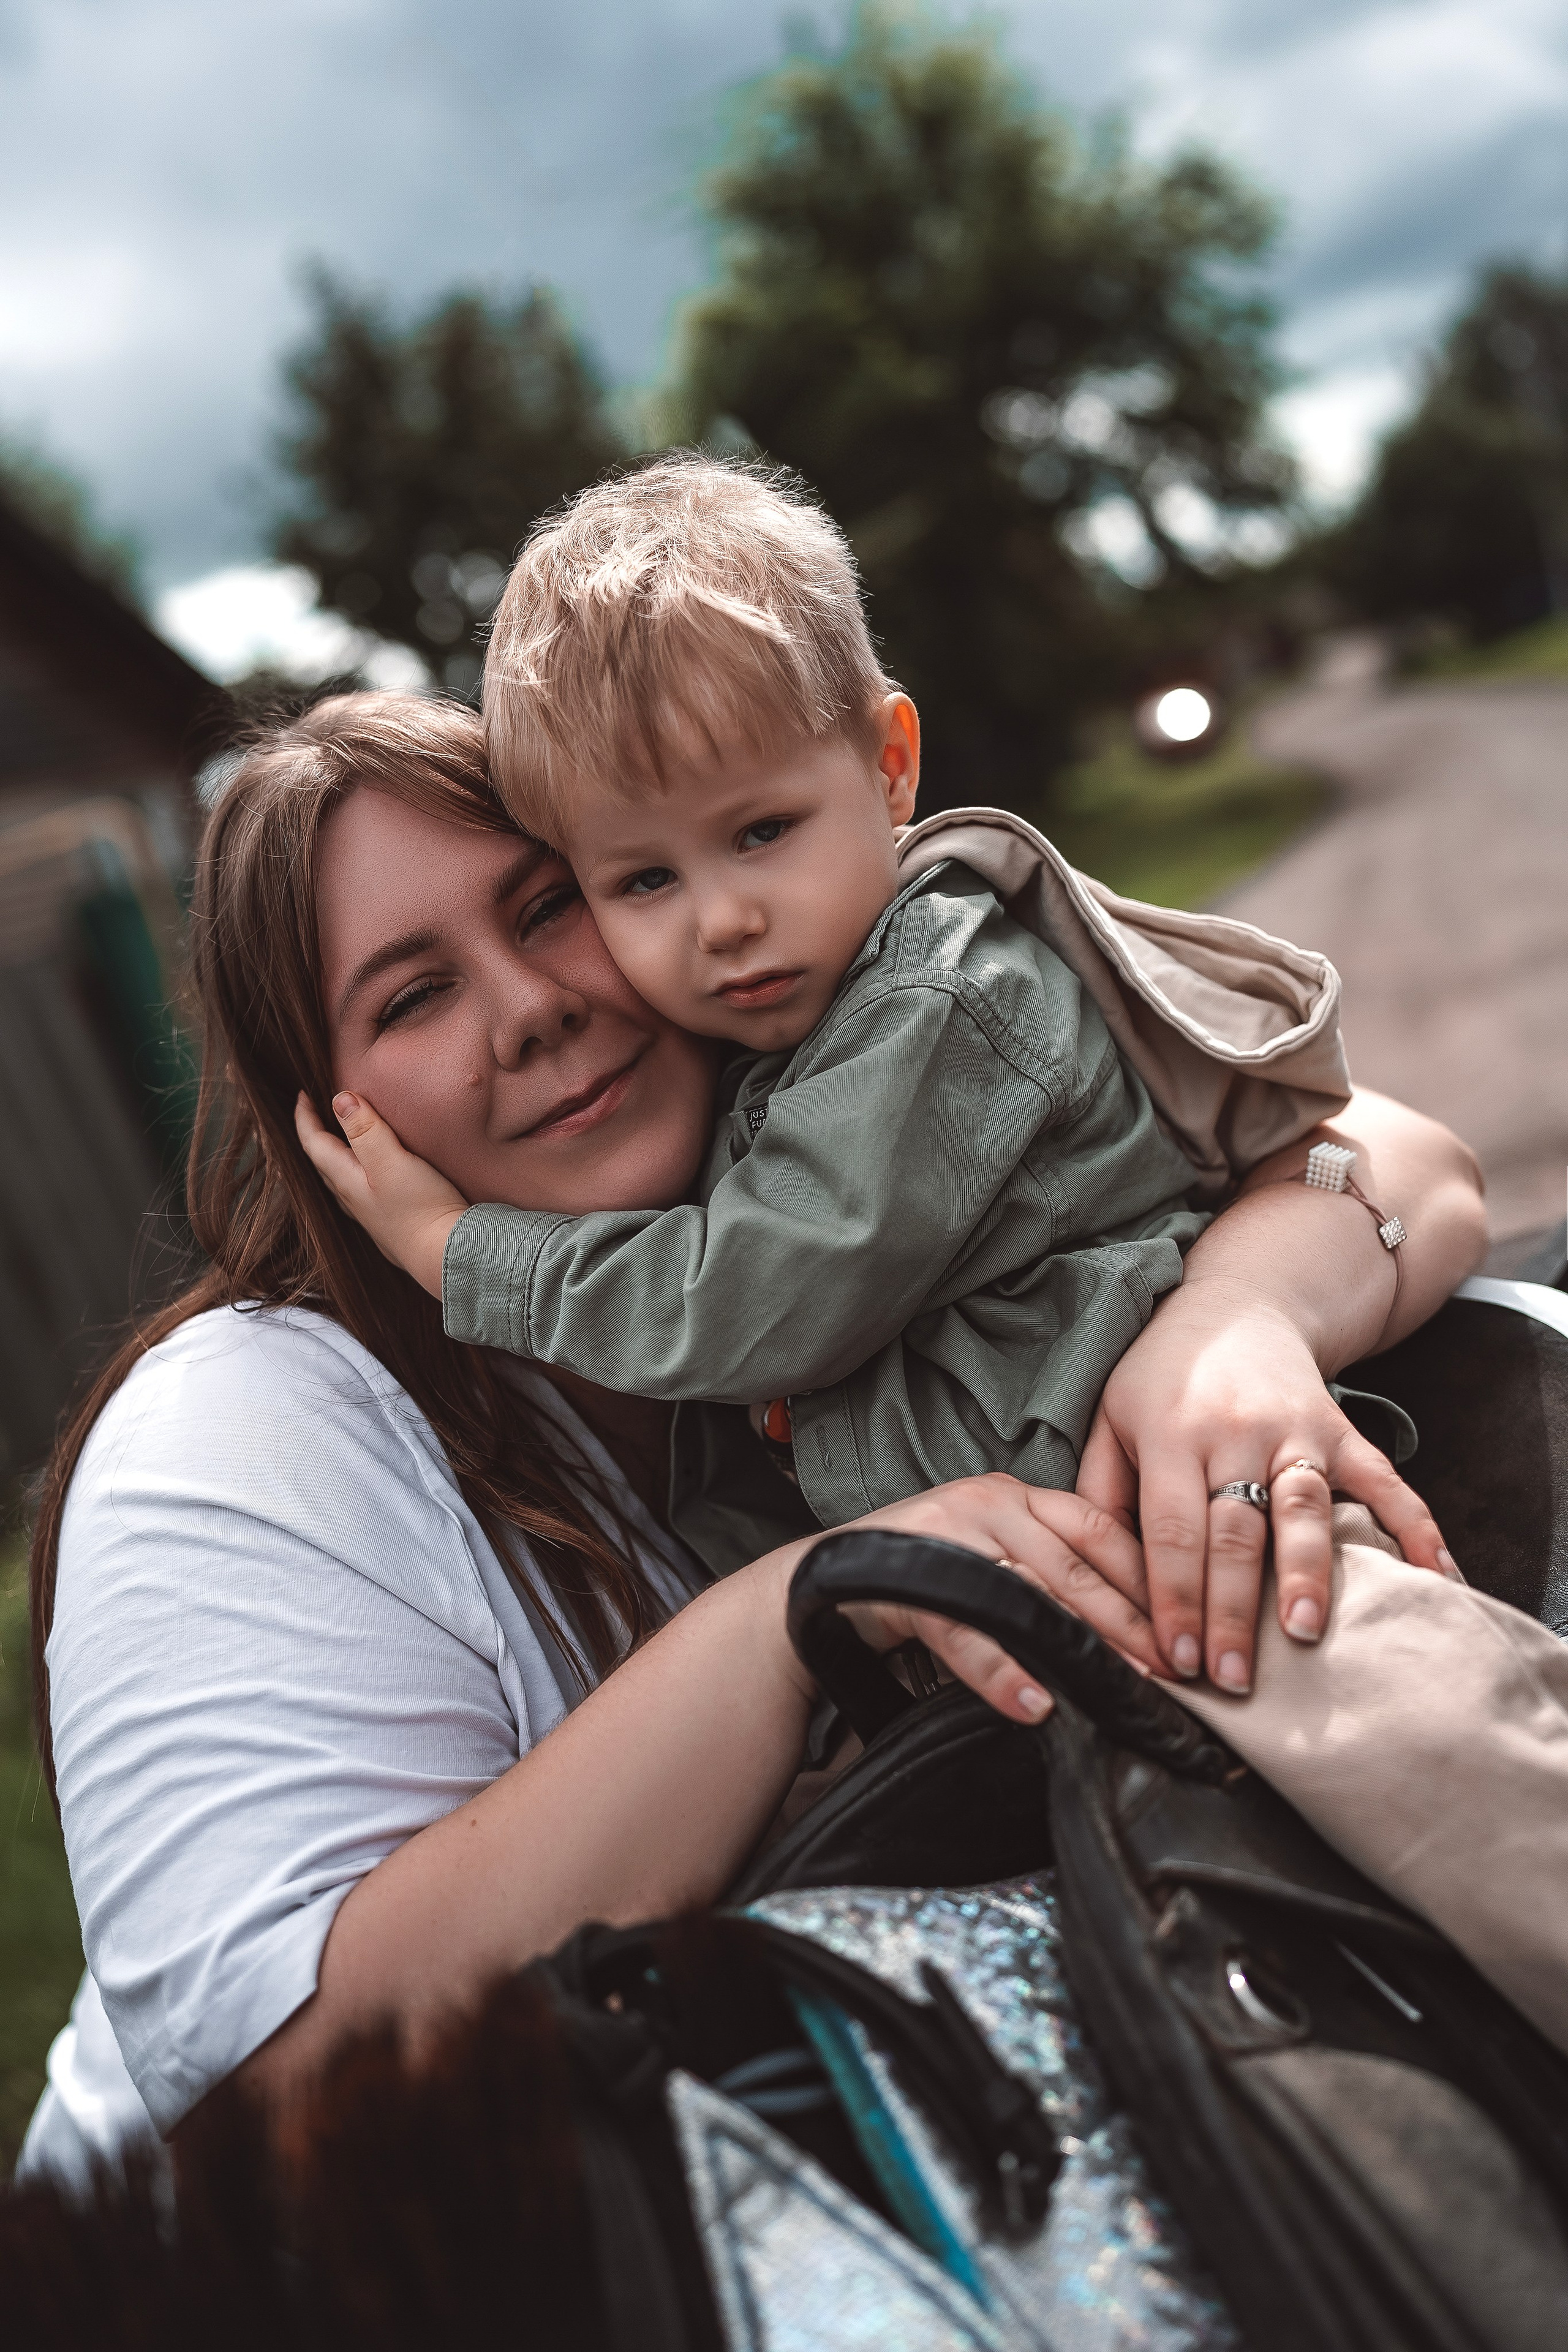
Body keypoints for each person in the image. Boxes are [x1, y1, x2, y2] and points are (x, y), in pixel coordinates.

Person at [21, 692, 1482, 2187]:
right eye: (412, 998)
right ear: (328, 1128)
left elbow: (1407, 1161)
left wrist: (1232, 1318)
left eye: (551, 906)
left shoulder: (812, 1145)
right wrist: (791, 1619)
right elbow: (294, 2091)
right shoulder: (239, 1435)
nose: (528, 1004)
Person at [300, 455, 1354, 1692]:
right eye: (644, 880)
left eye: (760, 834)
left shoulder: (933, 1001)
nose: (722, 920)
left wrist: (458, 1253)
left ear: (888, 764)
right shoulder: (773, 1044)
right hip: (1078, 1590)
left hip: (1175, 1526)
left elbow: (761, 1298)